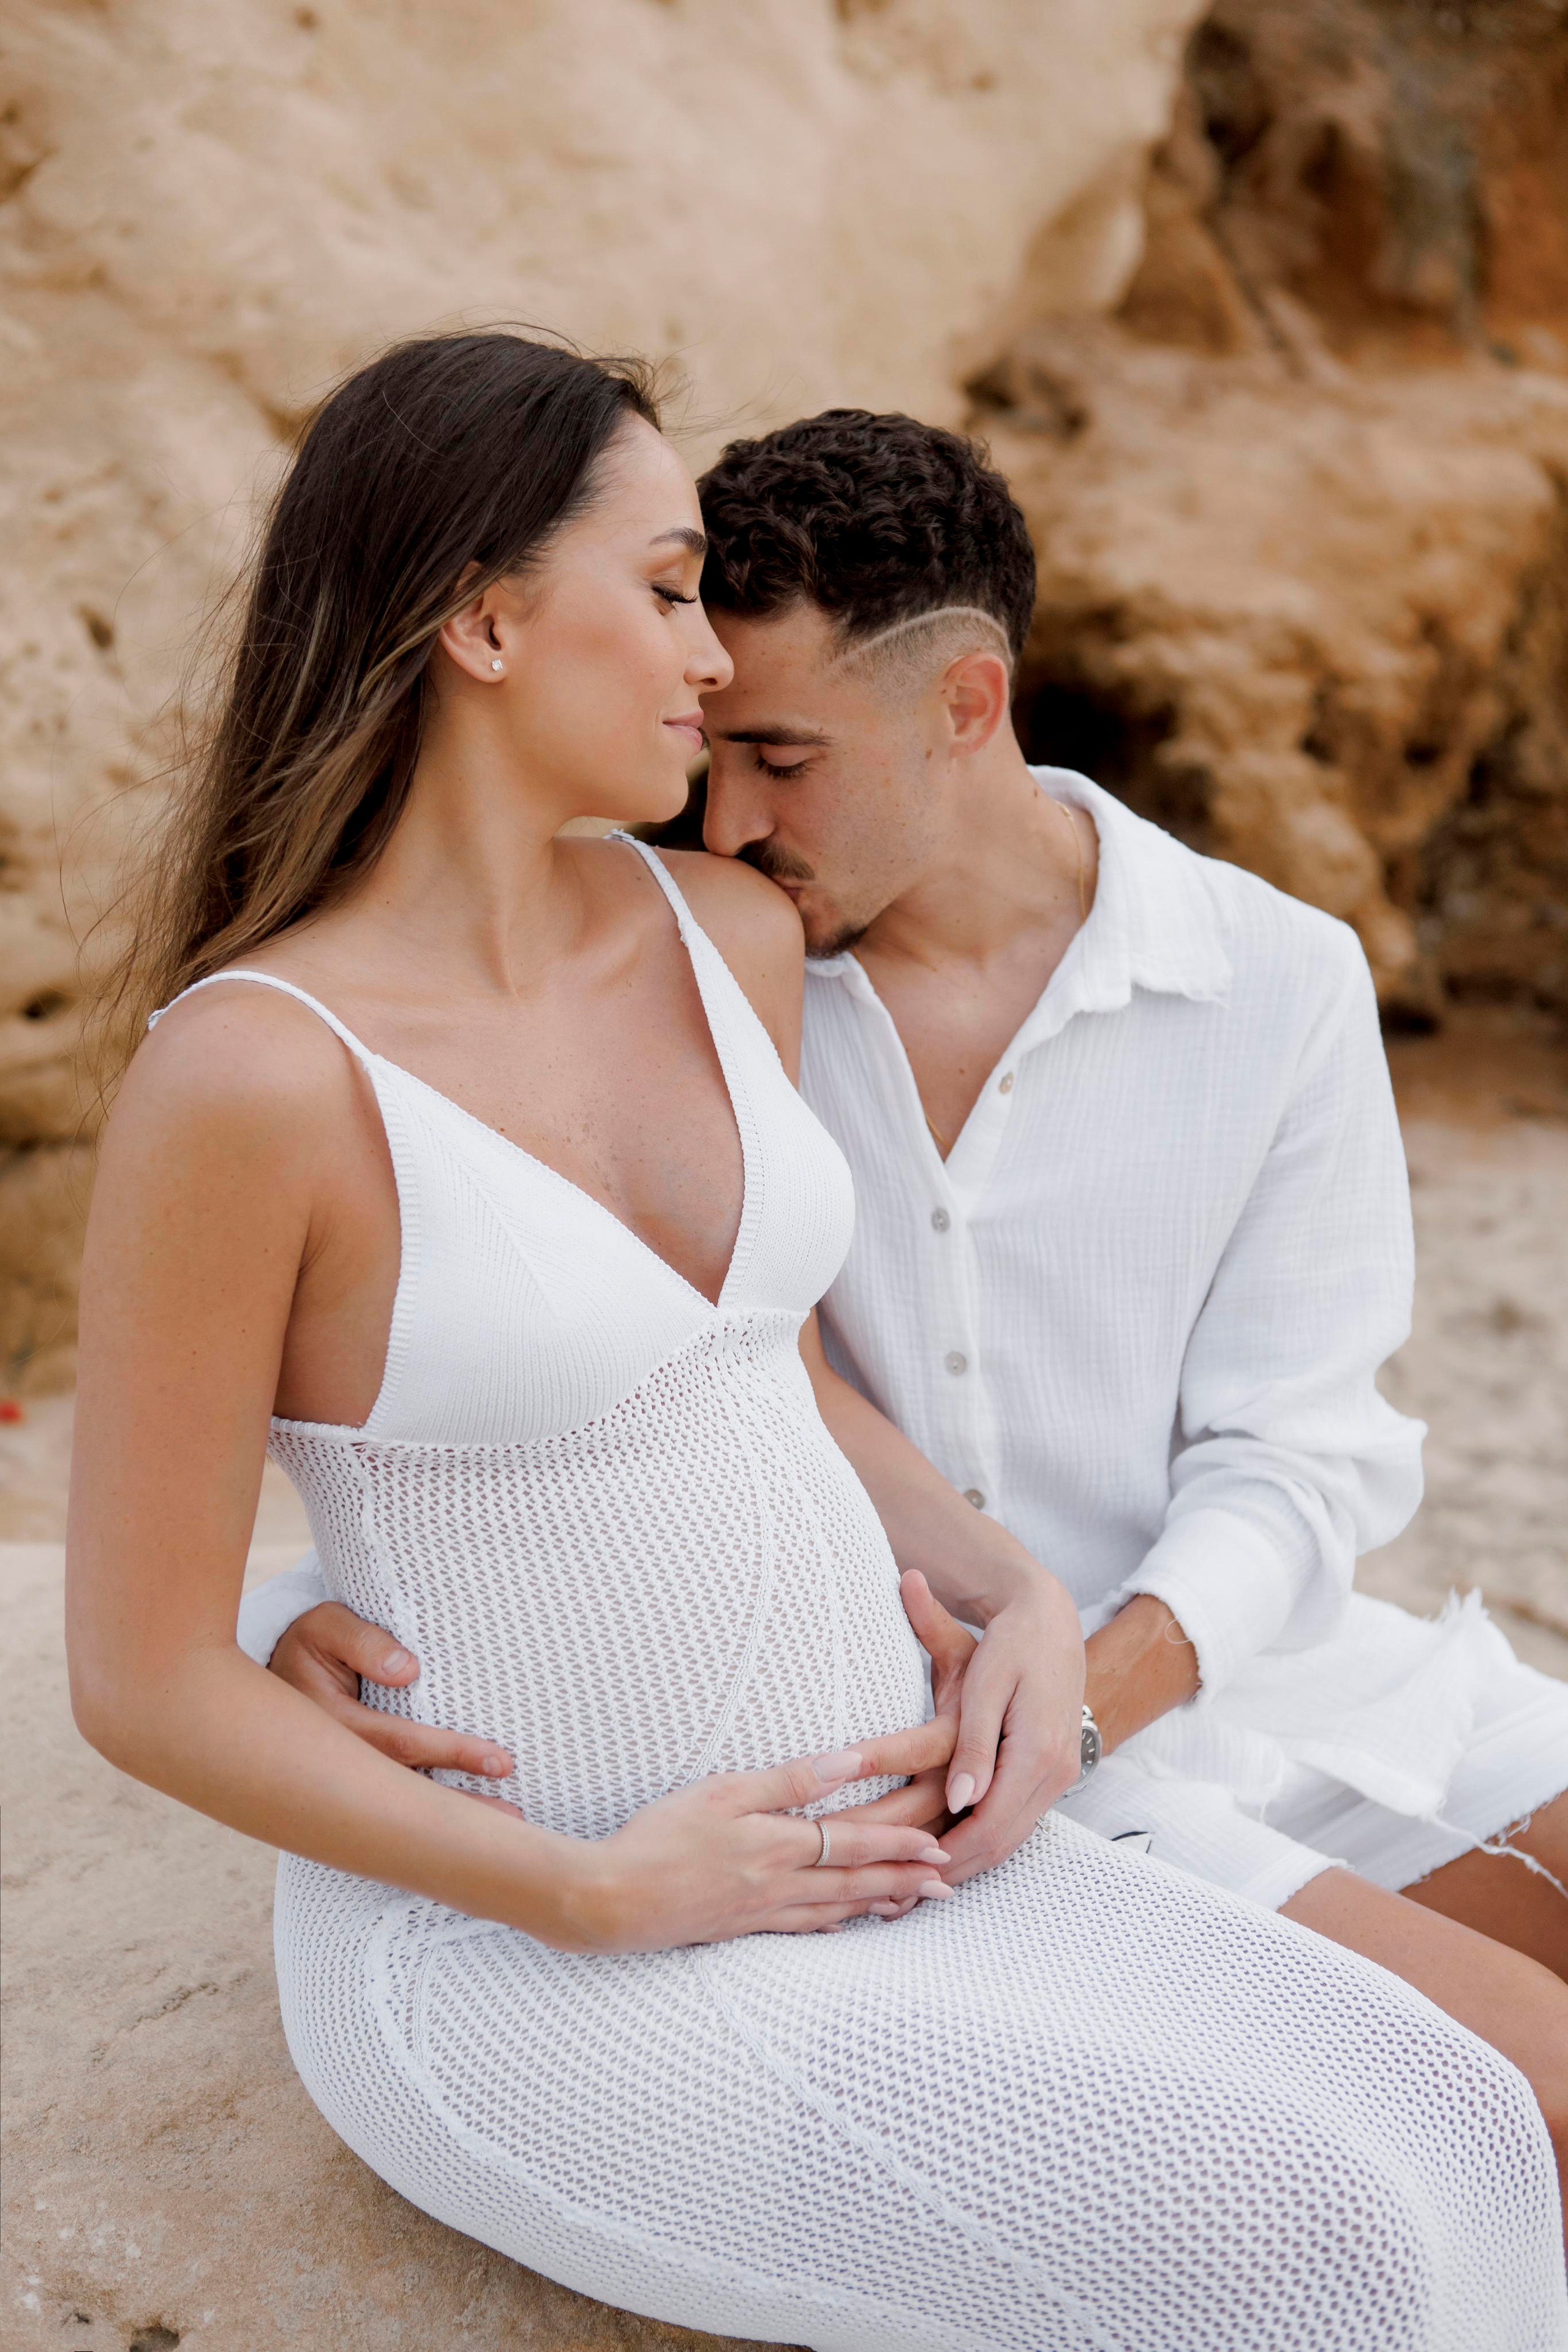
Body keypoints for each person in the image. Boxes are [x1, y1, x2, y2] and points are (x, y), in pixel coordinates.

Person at [69, 331, 1566, 2351]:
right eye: (673, 590)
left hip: (894, 1827)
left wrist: (1020, 1594)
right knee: (1336, 2250)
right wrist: (593, 1890)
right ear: (485, 620)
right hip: (551, 1928)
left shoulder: (734, 940)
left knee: (1461, 2133)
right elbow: (138, 1676)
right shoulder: (248, 1076)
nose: (710, 669)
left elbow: (760, 1374)